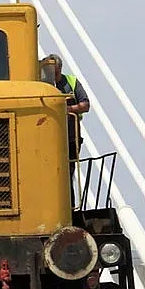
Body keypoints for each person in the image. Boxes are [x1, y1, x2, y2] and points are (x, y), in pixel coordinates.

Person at [44, 54, 90, 204]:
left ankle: (68, 207)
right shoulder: (39, 84)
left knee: (67, 173)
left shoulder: (71, 82)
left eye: (56, 72)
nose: (54, 75)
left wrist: (66, 108)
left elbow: (85, 105)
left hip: (71, 137)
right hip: (45, 139)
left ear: (60, 69)